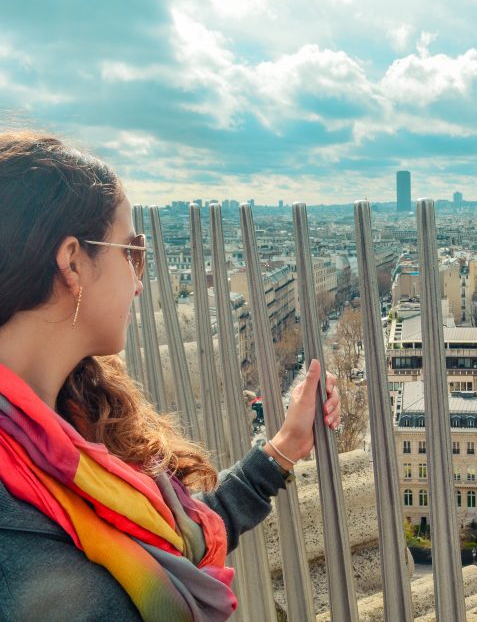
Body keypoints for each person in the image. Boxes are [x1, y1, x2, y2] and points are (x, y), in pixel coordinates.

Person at [0, 132, 343, 621]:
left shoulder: (59, 428)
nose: (140, 281)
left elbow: (169, 542)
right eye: (131, 251)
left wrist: (284, 445)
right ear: (72, 261)